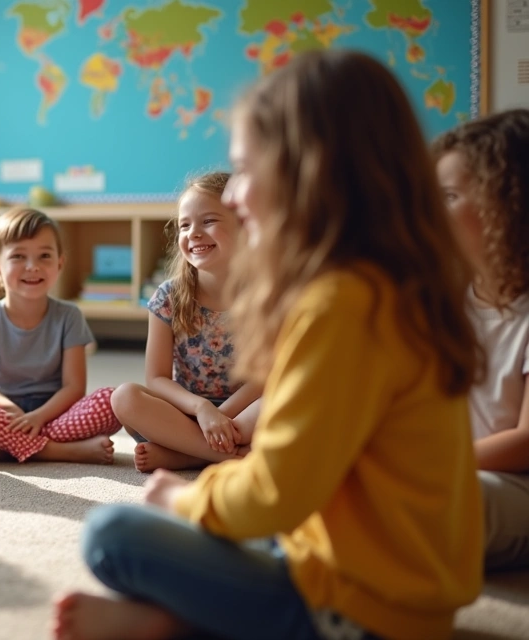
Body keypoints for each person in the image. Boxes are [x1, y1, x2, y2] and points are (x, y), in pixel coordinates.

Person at [55, 50, 483, 640]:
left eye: (246, 170)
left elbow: (275, 492)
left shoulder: (341, 306)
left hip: (363, 607)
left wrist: (182, 502)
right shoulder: (392, 287)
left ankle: (187, 624)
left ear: (312, 173)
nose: (232, 198)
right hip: (401, 585)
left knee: (112, 535)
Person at [111, 172, 260, 472]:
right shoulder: (168, 297)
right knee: (124, 397)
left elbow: (268, 376)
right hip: (186, 413)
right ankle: (231, 456)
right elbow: (156, 378)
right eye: (184, 225)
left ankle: (188, 455)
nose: (193, 233)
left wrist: (222, 419)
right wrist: (202, 410)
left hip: (245, 413)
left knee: (294, 393)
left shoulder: (265, 294)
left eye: (208, 221)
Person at [0, 207, 120, 464]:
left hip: (56, 412)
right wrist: (14, 412)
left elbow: (74, 387)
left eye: (44, 256)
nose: (33, 267)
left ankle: (5, 449)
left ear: (59, 263)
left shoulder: (70, 316)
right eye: (18, 256)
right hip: (6, 413)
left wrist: (38, 417)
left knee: (113, 401)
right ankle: (59, 451)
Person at [435, 108, 529, 570]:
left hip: (511, 484)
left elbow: (526, 440)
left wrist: (428, 465)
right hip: (448, 466)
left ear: (505, 206)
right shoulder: (449, 296)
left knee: (437, 505)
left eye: (449, 196)